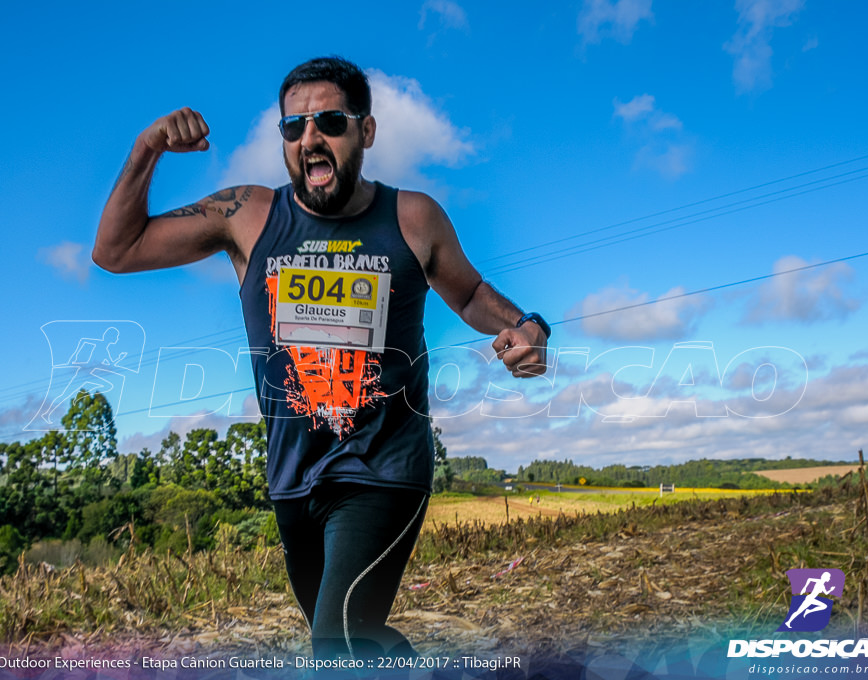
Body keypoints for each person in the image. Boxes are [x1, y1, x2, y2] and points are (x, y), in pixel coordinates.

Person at [93, 56, 550, 661]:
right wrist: (146, 147)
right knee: (349, 639)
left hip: (383, 468)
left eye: (330, 121)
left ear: (366, 131)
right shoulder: (249, 216)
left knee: (335, 639)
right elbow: (115, 250)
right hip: (292, 476)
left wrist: (528, 326)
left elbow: (466, 293)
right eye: (293, 127)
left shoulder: (412, 217)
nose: (309, 137)